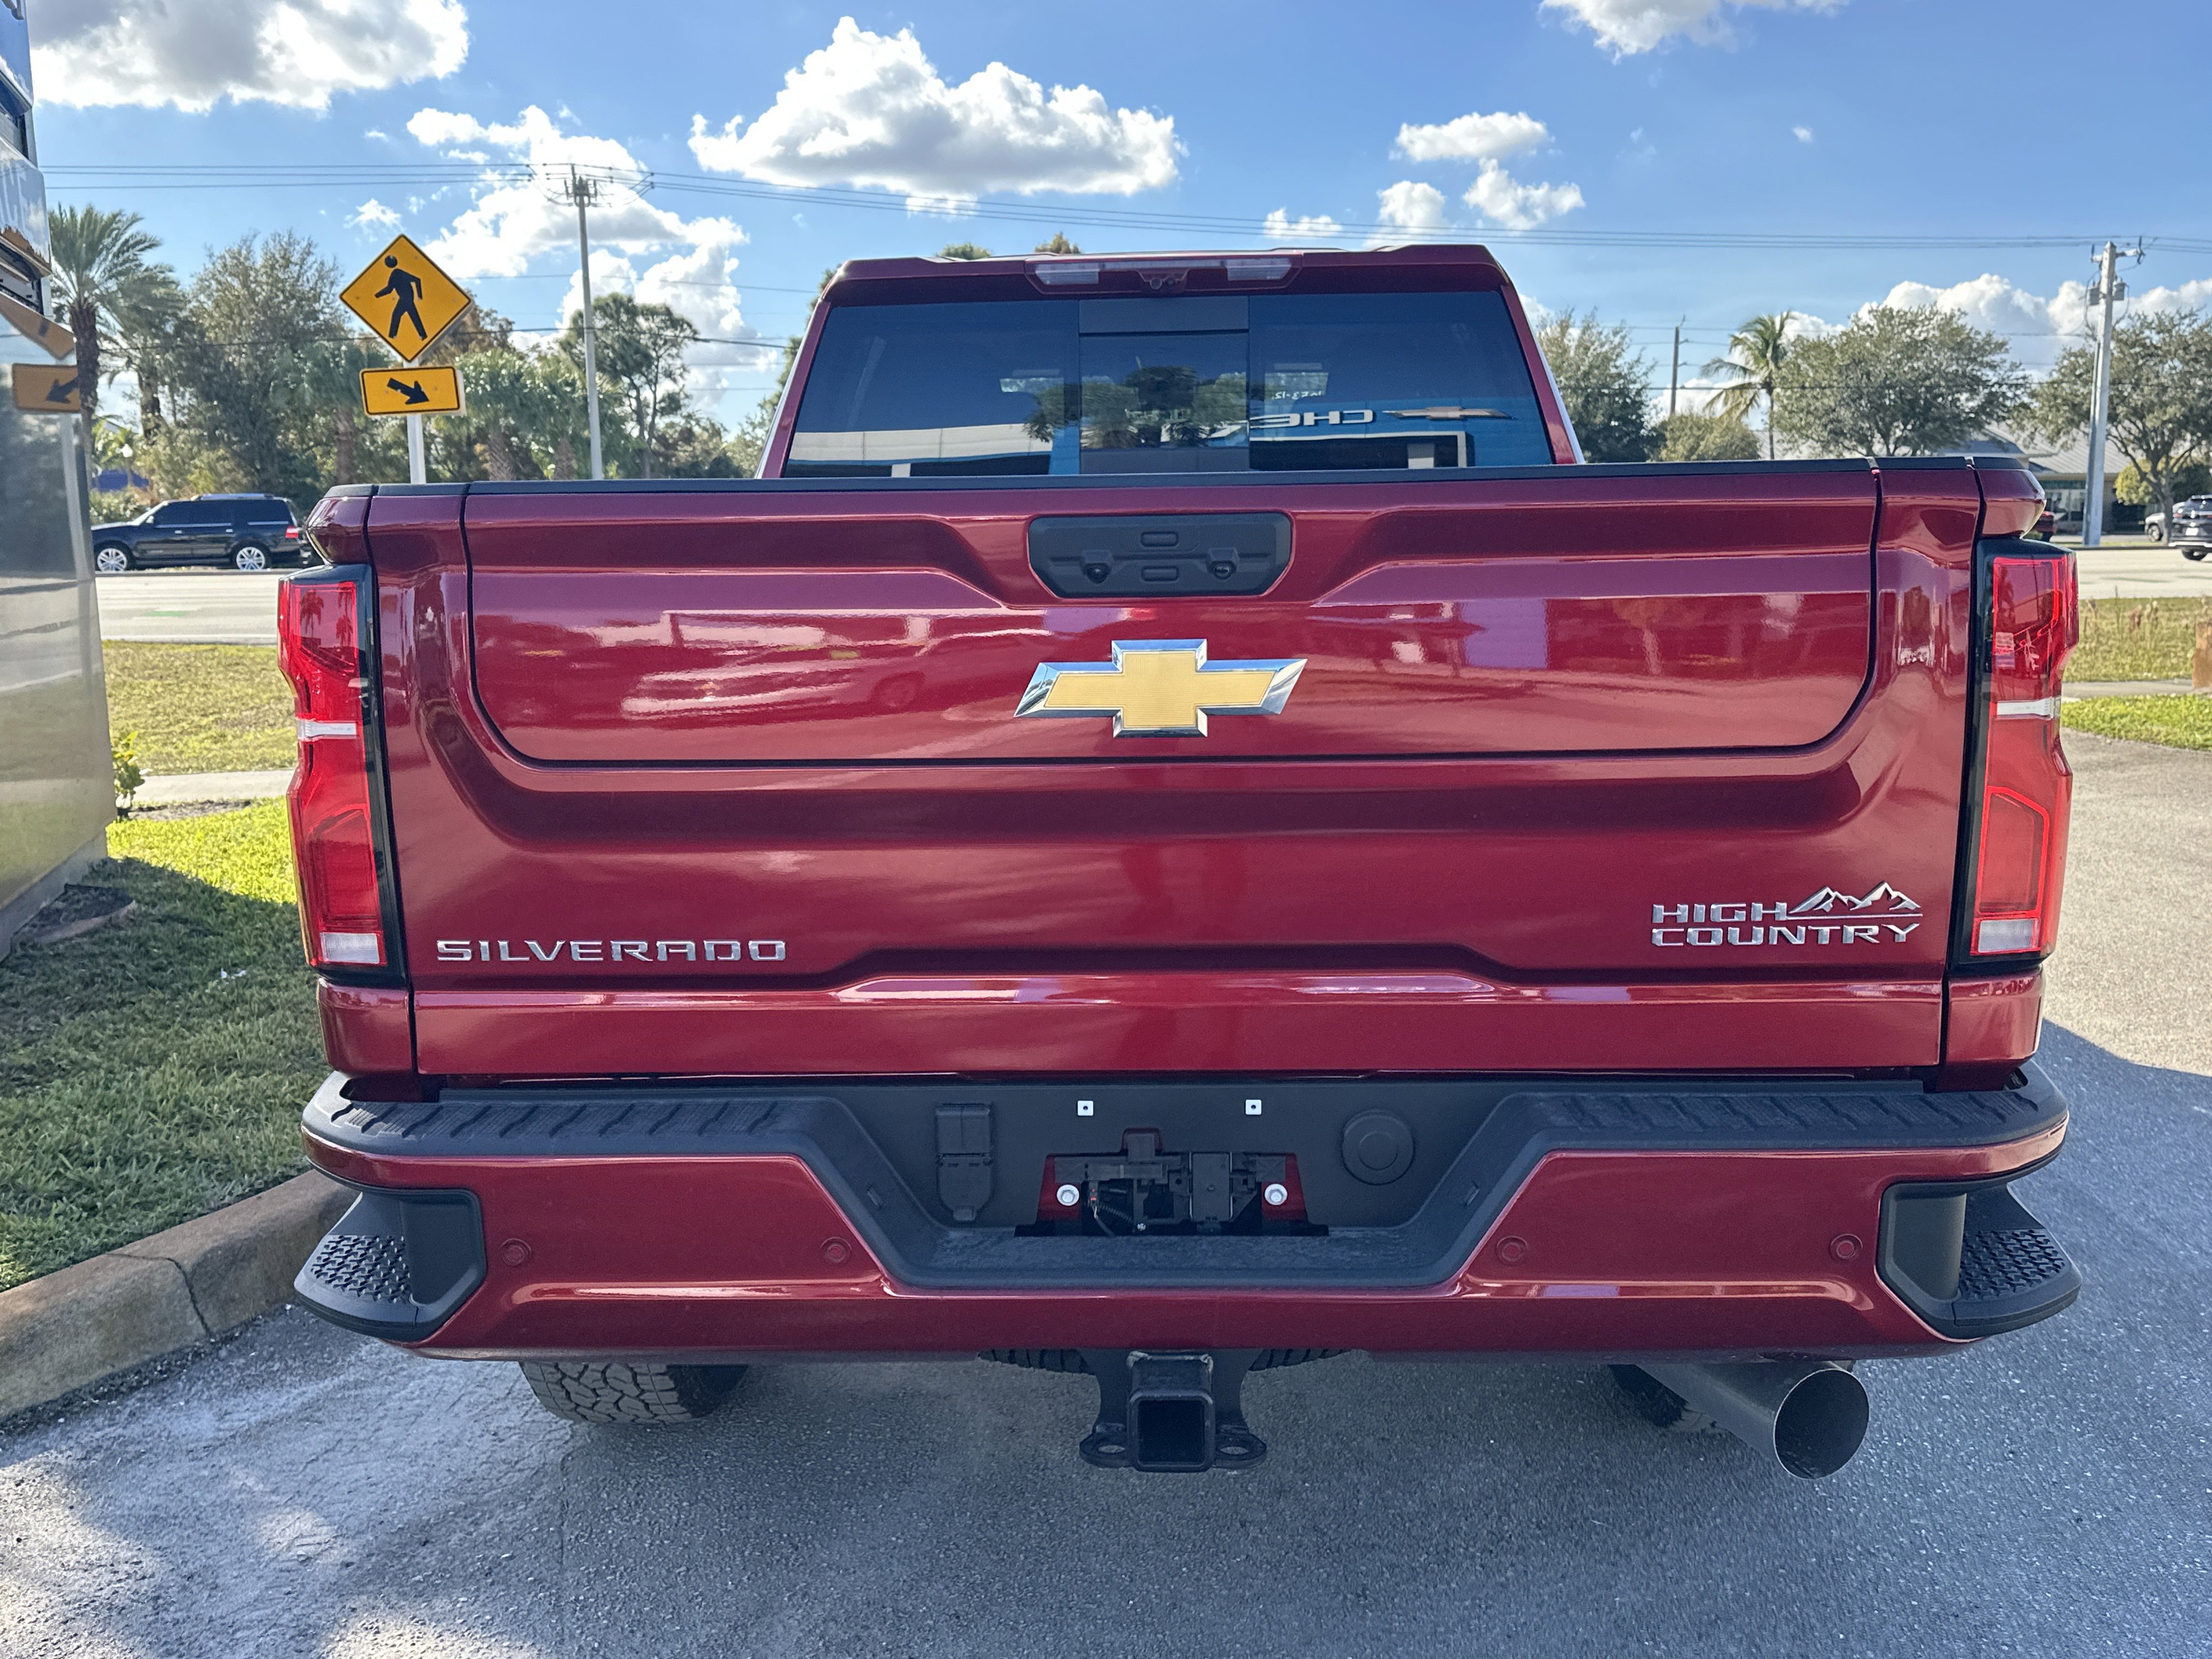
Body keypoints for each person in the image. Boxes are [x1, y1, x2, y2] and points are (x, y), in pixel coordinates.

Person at [375, 255, 427, 345]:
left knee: (397, 315)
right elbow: (417, 280)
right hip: (408, 299)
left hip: (405, 299)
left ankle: (392, 336)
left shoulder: (396, 274)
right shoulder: (399, 273)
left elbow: (389, 289)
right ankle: (423, 336)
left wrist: (377, 295)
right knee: (412, 317)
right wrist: (419, 296)